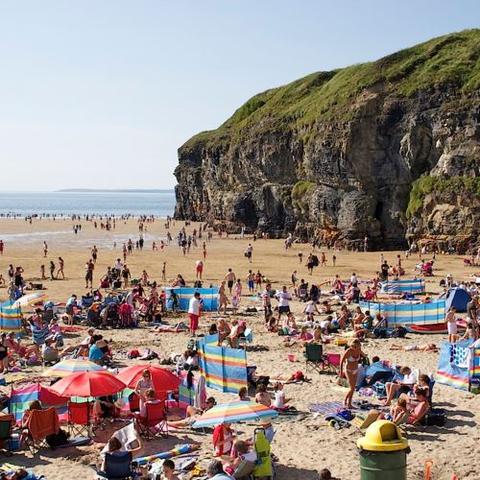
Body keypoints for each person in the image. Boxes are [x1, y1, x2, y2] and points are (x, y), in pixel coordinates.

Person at [340, 339, 366, 409]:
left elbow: (364, 355)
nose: (357, 348)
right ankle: (349, 404)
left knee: (353, 388)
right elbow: (341, 361)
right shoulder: (349, 351)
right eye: (356, 346)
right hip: (348, 370)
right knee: (352, 388)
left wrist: (363, 354)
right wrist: (340, 372)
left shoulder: (359, 350)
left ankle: (345, 400)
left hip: (355, 369)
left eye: (359, 346)